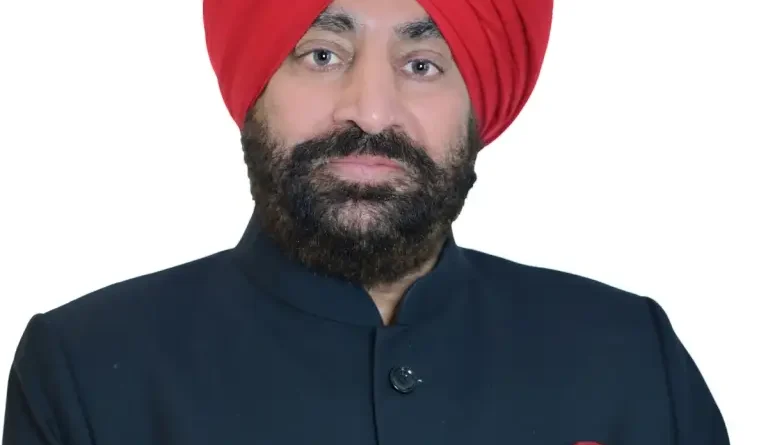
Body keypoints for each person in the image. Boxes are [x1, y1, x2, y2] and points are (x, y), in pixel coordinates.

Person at [3, 0, 730, 443]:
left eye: (422, 64)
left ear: (477, 105)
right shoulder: (85, 369)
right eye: (323, 54)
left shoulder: (630, 356)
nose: (371, 110)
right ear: (255, 85)